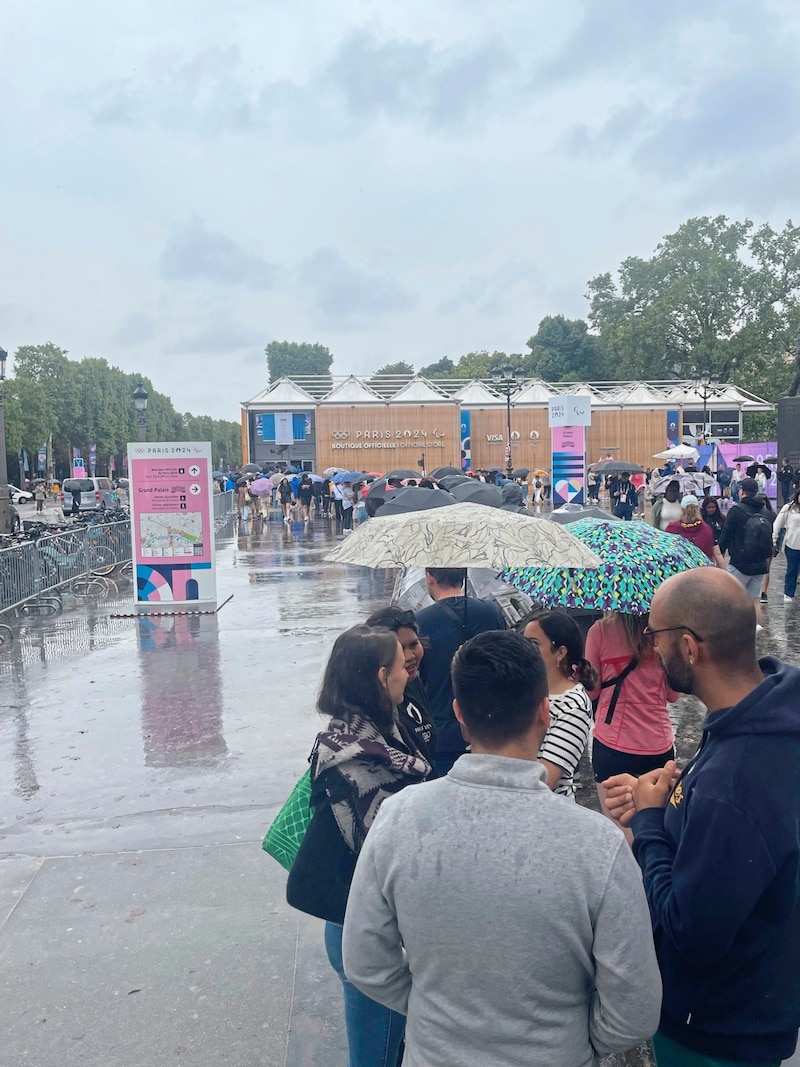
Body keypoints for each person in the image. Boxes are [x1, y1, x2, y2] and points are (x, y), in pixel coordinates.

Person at [342, 630, 662, 1067]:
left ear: (458, 714)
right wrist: (569, 1041)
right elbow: (635, 1008)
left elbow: (365, 962)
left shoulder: (398, 819)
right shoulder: (597, 845)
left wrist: (436, 1016)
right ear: (544, 714)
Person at [603, 569, 800, 1066]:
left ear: (689, 647)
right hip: (762, 996)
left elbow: (691, 934)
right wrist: (676, 798)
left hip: (716, 1030)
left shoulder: (732, 783)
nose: (651, 648)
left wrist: (648, 824)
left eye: (654, 637)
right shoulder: (768, 712)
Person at [286, 625, 433, 1067]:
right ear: (380, 674)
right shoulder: (360, 763)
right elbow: (313, 882)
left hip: (362, 925)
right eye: (400, 664)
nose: (409, 671)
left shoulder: (374, 731)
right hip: (366, 934)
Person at [585, 611, 678, 840]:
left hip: (612, 745)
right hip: (658, 746)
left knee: (618, 831)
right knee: (656, 828)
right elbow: (673, 694)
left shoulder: (600, 631)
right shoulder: (665, 635)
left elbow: (592, 690)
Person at [416, 568, 507, 775]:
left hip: (441, 735)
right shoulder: (491, 611)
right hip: (491, 729)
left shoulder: (420, 621)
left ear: (430, 578)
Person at [520, 609, 598, 799]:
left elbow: (545, 780)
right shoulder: (524, 688)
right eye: (523, 642)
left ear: (560, 652)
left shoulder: (574, 706)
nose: (524, 650)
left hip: (547, 813)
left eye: (534, 644)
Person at [365, 606, 436, 763]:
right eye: (399, 649)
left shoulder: (413, 683)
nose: (409, 656)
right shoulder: (372, 706)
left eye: (413, 644)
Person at [718, 476, 772, 624]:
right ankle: (755, 627)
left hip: (739, 564)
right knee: (755, 600)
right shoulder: (765, 511)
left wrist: (719, 555)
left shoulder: (736, 510)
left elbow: (726, 536)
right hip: (760, 565)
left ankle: (734, 630)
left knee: (731, 600)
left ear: (742, 491)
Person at [664, 495, 722, 565]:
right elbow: (718, 555)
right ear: (698, 509)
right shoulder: (707, 530)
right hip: (703, 571)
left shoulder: (672, 528)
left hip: (680, 572)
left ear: (682, 509)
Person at [773, 487, 800, 602]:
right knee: (792, 569)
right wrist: (774, 540)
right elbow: (777, 524)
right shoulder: (788, 508)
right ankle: (788, 592)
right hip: (792, 544)